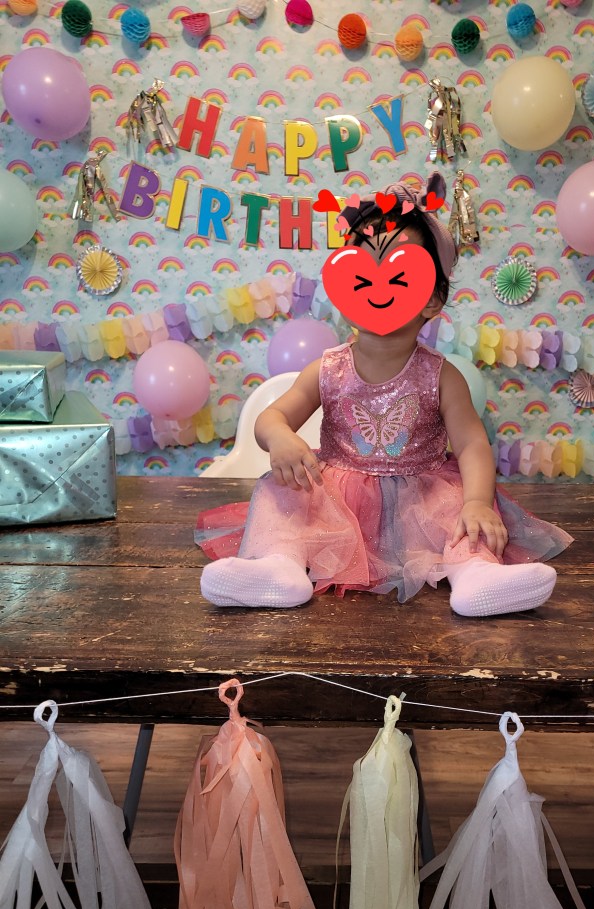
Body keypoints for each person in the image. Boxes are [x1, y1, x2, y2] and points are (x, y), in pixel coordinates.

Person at [197, 173, 572, 616]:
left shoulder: (442, 376)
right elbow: (271, 417)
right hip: (337, 498)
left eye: (399, 274)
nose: (377, 285)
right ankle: (278, 567)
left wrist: (475, 501)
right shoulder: (327, 369)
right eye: (362, 271)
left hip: (422, 495)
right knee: (282, 494)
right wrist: (279, 436)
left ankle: (476, 575)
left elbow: (472, 444)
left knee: (461, 510)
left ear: (431, 299)